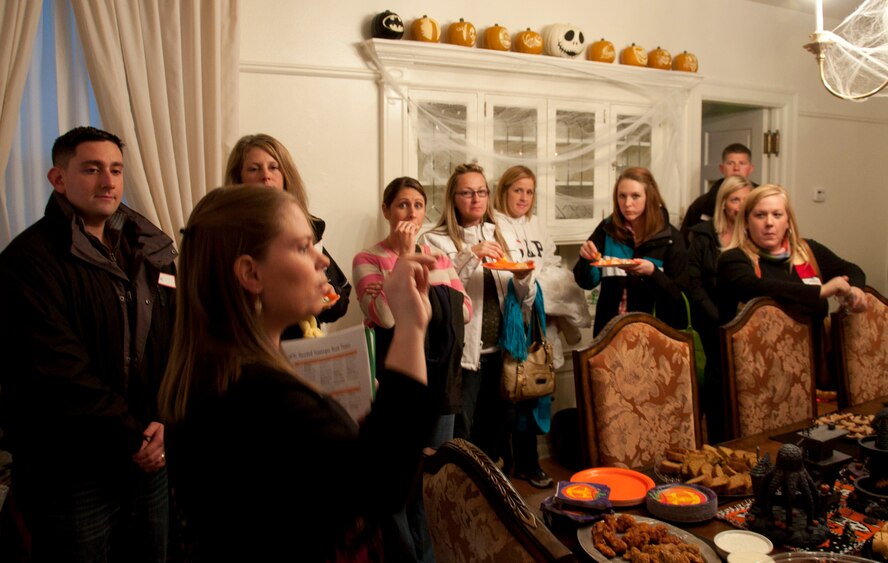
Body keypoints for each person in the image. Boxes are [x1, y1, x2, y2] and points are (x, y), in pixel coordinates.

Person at [158, 186, 436, 562]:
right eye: (303, 247)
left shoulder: (223, 366)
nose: (323, 261)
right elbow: (382, 485)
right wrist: (410, 328)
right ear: (250, 273)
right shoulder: (259, 393)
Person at [0, 126, 175, 562]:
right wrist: (132, 438)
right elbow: (58, 371)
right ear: (58, 179)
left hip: (150, 452)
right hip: (71, 468)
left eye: (115, 170)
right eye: (92, 169)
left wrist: (164, 420)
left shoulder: (150, 248)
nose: (108, 181)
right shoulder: (28, 261)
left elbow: (174, 340)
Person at [352, 177, 471, 562]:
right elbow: (385, 317)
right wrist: (403, 266)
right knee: (397, 486)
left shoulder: (440, 257)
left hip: (440, 383)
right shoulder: (366, 259)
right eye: (402, 205)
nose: (411, 213)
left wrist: (418, 292)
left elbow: (464, 312)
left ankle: (430, 557)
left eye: (418, 205)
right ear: (386, 211)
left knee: (432, 484)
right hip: (394, 385)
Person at [421, 162, 537, 476]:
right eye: (468, 193)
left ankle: (491, 501)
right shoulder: (435, 239)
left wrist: (525, 277)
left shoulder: (504, 234)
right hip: (464, 356)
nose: (476, 199)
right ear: (453, 198)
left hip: (502, 350)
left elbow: (523, 295)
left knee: (497, 430)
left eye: (482, 192)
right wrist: (472, 253)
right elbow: (439, 290)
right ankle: (461, 499)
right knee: (463, 434)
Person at [491, 165, 592, 488]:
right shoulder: (493, 224)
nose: (523, 197)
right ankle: (503, 469)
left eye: (529, 191)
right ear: (504, 191)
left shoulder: (536, 225)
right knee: (510, 395)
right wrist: (534, 279)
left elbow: (552, 267)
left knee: (536, 394)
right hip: (511, 325)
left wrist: (538, 280)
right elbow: (506, 274)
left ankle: (529, 463)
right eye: (517, 190)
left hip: (541, 323)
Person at [716, 184, 867, 387]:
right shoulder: (733, 259)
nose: (769, 223)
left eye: (777, 215)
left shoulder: (807, 252)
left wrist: (856, 289)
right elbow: (755, 286)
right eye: (760, 215)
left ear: (788, 221)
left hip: (806, 376)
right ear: (745, 222)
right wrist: (820, 291)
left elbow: (852, 269)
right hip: (749, 379)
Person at [224, 133, 351, 338]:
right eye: (254, 169)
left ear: (285, 176)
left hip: (304, 355)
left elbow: (340, 301)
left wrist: (323, 298)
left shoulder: (308, 229)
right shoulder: (224, 236)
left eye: (273, 167)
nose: (266, 176)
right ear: (238, 179)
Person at [573, 167, 689, 335]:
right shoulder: (607, 229)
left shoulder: (671, 238)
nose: (627, 204)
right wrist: (586, 259)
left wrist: (652, 273)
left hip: (654, 335)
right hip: (609, 332)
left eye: (635, 196)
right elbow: (586, 282)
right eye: (622, 196)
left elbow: (679, 298)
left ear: (650, 197)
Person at [686, 175, 753, 443]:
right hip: (710, 324)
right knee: (715, 389)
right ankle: (714, 446)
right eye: (735, 199)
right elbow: (693, 284)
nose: (740, 206)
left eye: (746, 200)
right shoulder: (702, 235)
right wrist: (719, 318)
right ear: (724, 203)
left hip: (745, 326)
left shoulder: (754, 234)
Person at [681, 143, 756, 242]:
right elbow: (685, 240)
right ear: (722, 168)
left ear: (751, 168)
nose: (736, 168)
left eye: (742, 163)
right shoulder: (702, 204)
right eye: (730, 163)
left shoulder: (762, 199)